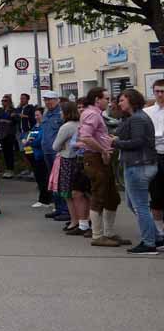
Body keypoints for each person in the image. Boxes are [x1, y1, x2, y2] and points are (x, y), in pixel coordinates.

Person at [107, 88, 159, 254]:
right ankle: (157, 237)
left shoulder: (137, 118)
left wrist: (116, 142)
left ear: (131, 100)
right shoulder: (133, 117)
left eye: (122, 100)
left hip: (139, 165)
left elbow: (138, 142)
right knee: (133, 204)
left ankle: (149, 243)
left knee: (140, 206)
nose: (119, 103)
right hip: (138, 164)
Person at [77, 87, 124, 247]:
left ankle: (108, 233)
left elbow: (93, 135)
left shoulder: (95, 114)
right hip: (95, 158)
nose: (109, 102)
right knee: (99, 195)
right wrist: (103, 150)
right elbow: (85, 137)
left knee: (112, 197)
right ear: (97, 100)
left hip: (100, 158)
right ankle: (97, 236)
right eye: (106, 99)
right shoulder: (92, 114)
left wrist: (106, 140)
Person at [53, 101, 89, 235]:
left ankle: (74, 220)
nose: (60, 113)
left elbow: (55, 146)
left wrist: (63, 146)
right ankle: (84, 219)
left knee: (68, 193)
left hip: (68, 160)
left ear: (66, 112)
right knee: (82, 194)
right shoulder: (81, 124)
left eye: (61, 111)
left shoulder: (66, 127)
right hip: (80, 160)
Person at [35, 92, 63, 214]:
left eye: (50, 99)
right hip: (46, 151)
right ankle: (57, 206)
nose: (47, 102)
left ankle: (62, 208)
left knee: (59, 180)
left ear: (57, 100)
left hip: (56, 152)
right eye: (46, 100)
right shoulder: (46, 113)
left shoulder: (60, 114)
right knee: (52, 181)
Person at [144, 79, 164, 244]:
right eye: (157, 91)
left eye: (163, 91)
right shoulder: (147, 112)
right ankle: (159, 232)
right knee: (156, 195)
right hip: (154, 156)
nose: (160, 94)